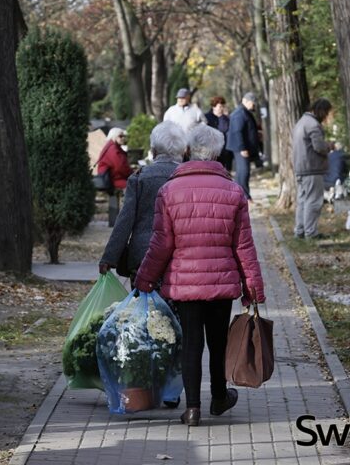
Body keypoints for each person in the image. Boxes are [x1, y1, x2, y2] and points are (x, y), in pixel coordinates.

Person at [134, 125, 265, 427]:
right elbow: (243, 245)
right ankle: (219, 397)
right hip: (221, 283)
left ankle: (192, 408)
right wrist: (253, 288)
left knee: (191, 343)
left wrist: (145, 278)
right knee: (218, 342)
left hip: (184, 284)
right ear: (218, 153)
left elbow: (161, 243)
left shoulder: (169, 191)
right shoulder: (233, 191)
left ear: (189, 151)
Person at [98, 121, 187, 280]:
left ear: (153, 150)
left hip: (142, 255)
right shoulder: (188, 178)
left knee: (144, 305)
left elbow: (125, 220)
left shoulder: (140, 178)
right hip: (180, 255)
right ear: (183, 150)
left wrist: (109, 257)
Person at [292, 98, 333, 239]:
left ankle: (300, 230)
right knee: (313, 201)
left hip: (301, 168)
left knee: (302, 201)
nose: (326, 116)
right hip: (312, 168)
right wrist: (330, 146)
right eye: (326, 113)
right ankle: (311, 232)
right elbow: (319, 147)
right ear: (321, 110)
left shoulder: (301, 122)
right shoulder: (313, 125)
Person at [226, 92, 261, 200]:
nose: (254, 105)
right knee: (243, 171)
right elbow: (237, 132)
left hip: (243, 147)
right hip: (240, 148)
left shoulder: (245, 112)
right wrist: (242, 148)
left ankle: (239, 194)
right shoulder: (240, 113)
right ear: (245, 101)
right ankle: (244, 196)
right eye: (252, 103)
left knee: (242, 171)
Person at [97, 127, 133, 227]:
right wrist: (132, 174)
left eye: (123, 136)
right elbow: (120, 167)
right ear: (113, 137)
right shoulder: (113, 149)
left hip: (116, 177)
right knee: (133, 187)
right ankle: (127, 217)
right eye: (120, 136)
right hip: (113, 179)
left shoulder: (114, 147)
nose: (123, 138)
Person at [204, 95, 232, 170]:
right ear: (214, 106)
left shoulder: (227, 119)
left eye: (223, 106)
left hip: (224, 150)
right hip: (211, 150)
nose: (222, 108)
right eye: (220, 106)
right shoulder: (206, 118)